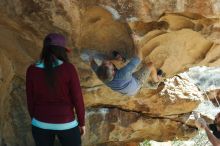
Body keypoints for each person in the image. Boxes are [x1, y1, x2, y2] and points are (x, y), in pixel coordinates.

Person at [26, 33, 85, 146]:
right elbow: (78, 98)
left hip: (40, 122)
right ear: (61, 51)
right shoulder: (69, 68)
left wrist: (36, 119)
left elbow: (30, 99)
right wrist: (82, 123)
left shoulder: (31, 69)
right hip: (66, 122)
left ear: (45, 49)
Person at [90, 46, 164, 96]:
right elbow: (139, 58)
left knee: (108, 65)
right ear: (113, 72)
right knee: (150, 65)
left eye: (103, 64)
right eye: (109, 64)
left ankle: (120, 60)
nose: (107, 61)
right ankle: (156, 82)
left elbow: (92, 63)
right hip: (136, 84)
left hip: (126, 90)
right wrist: (136, 40)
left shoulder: (101, 74)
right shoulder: (123, 74)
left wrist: (90, 57)